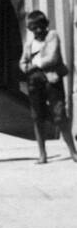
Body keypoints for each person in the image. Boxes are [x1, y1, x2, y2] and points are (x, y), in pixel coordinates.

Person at [19, 10, 77, 165]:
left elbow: (53, 57)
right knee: (37, 117)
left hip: (51, 81)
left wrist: (35, 64)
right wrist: (27, 68)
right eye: (34, 27)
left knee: (59, 116)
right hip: (34, 83)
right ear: (30, 28)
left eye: (40, 26)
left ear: (45, 24)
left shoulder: (52, 36)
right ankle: (42, 154)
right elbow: (22, 63)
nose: (38, 30)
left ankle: (73, 151)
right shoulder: (29, 44)